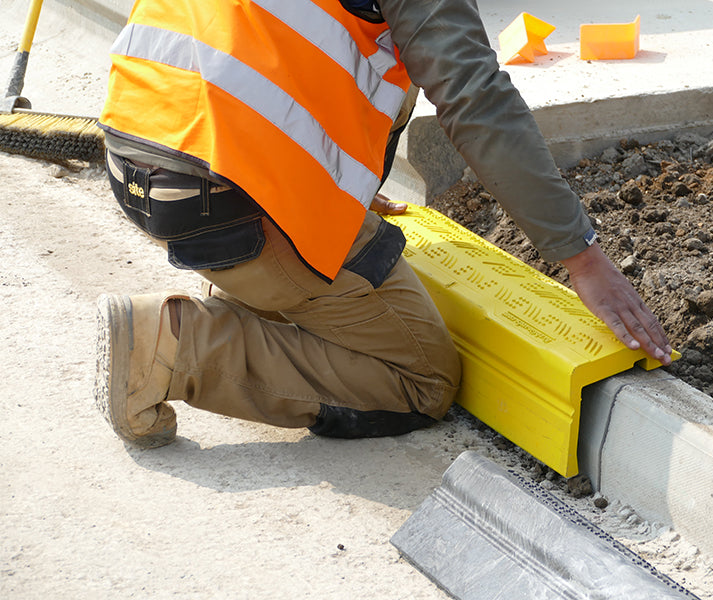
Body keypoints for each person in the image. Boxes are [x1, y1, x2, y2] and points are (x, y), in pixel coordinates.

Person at [94, 0, 674, 449]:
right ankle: (176, 345)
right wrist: (582, 256)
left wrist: (347, 184)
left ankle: (258, 294)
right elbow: (476, 100)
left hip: (136, 155)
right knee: (422, 379)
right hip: (232, 199)